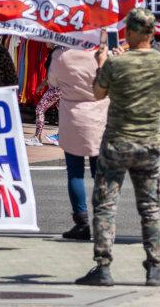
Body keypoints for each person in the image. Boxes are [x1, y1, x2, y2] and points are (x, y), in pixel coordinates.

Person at [76, 8, 160, 288]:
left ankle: (103, 267)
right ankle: (154, 267)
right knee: (150, 207)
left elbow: (97, 93)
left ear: (130, 32)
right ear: (152, 34)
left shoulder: (116, 63)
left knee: (106, 205)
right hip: (149, 143)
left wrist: (103, 63)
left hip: (117, 142)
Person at [48, 46, 109, 240]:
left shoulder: (61, 55)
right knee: (100, 174)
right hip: (100, 115)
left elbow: (53, 81)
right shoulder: (103, 54)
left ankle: (81, 222)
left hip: (73, 116)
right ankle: (102, 221)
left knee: (74, 172)